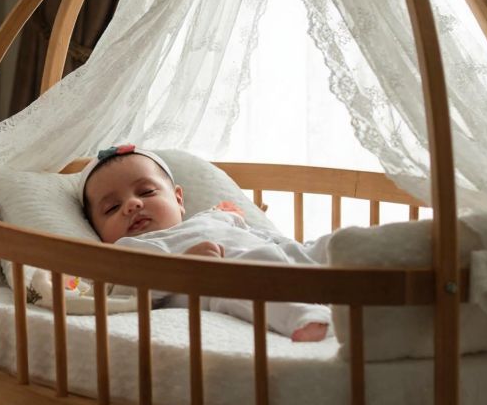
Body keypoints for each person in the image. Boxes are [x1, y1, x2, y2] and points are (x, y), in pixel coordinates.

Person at [80, 145, 330, 341]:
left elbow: (256, 232)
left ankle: (363, 253)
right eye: (112, 207)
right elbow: (126, 295)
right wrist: (184, 269)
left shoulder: (210, 217)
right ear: (98, 231)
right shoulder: (129, 252)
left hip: (278, 256)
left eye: (146, 192)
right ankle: (303, 317)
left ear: (178, 199)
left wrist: (288, 245)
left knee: (326, 246)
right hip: (225, 282)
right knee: (236, 290)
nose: (132, 205)